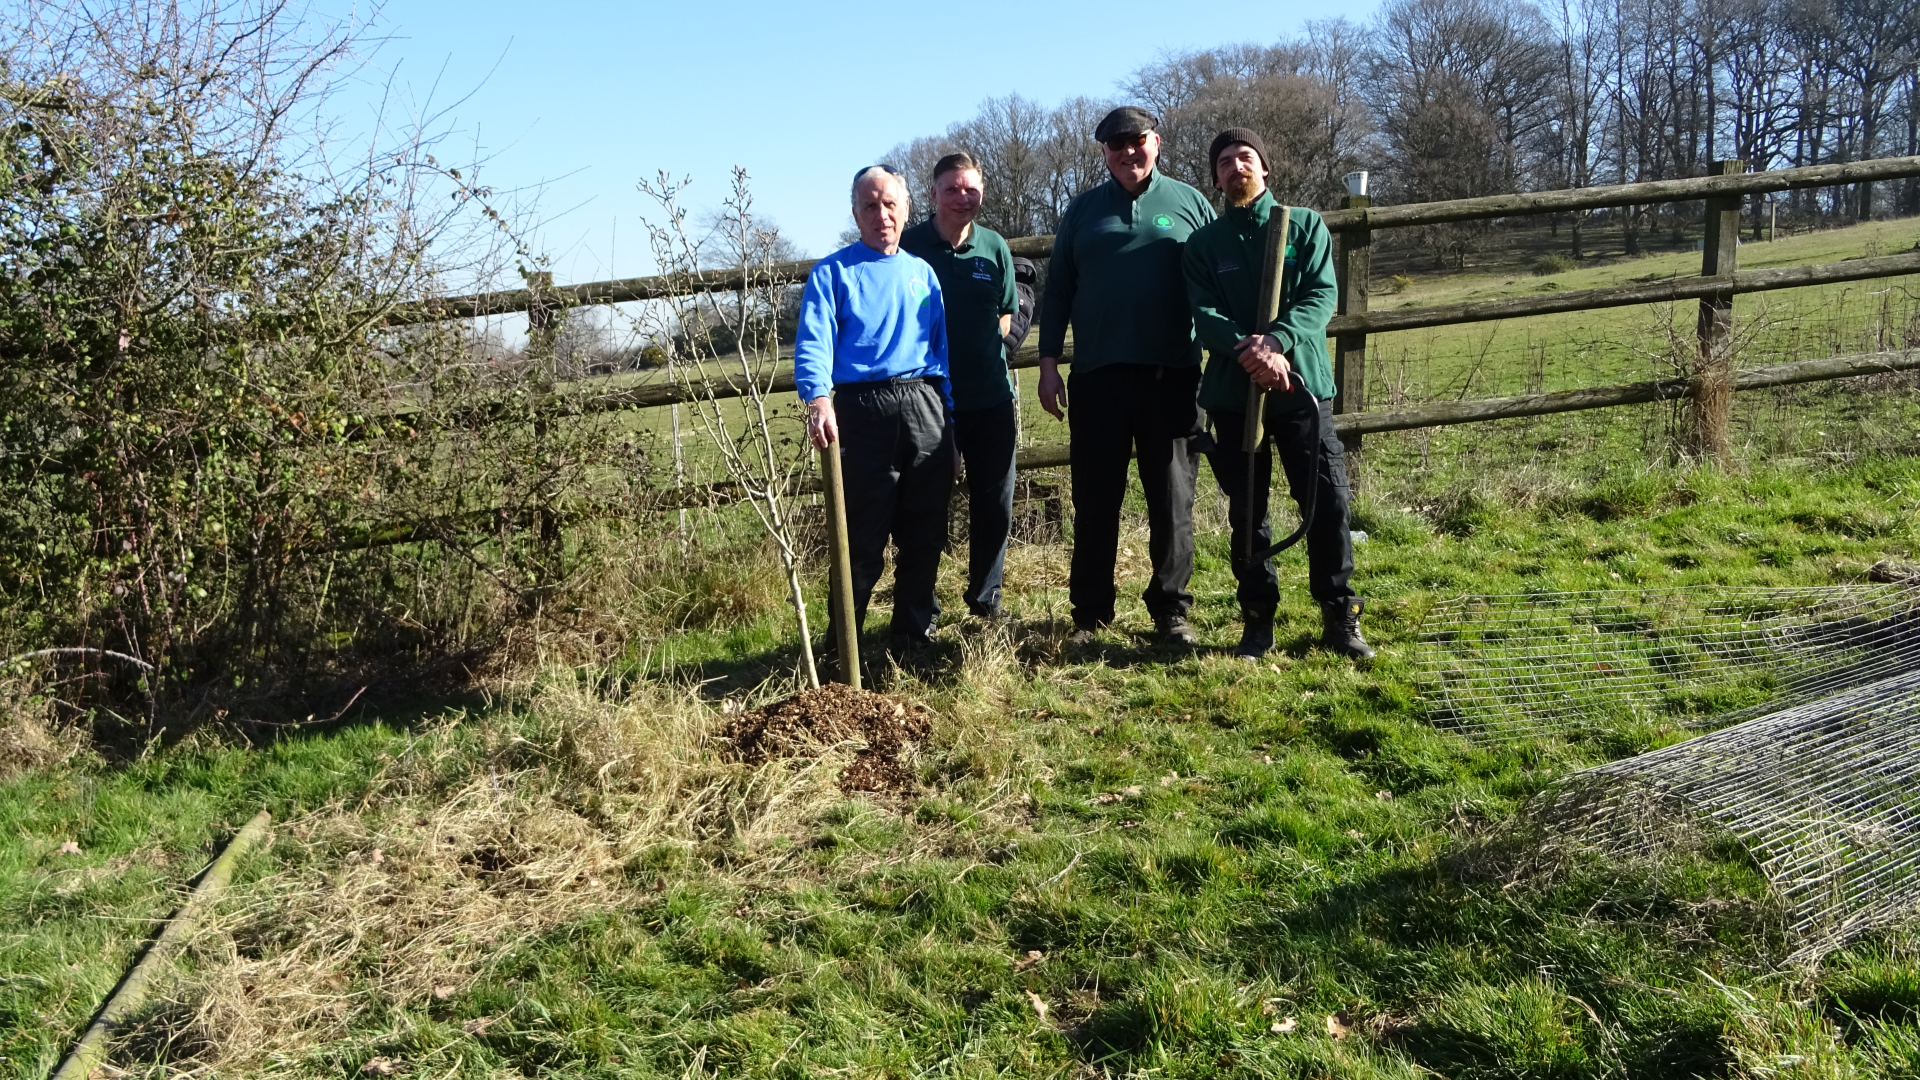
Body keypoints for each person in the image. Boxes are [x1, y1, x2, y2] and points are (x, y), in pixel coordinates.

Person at [1182, 127, 1373, 660]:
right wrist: (1249, 350)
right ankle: (1257, 616)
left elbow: (1320, 294)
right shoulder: (1203, 246)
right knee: (1247, 511)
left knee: (1327, 500)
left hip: (1301, 387)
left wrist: (1278, 343)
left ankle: (1339, 614)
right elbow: (1204, 313)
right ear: (1216, 178)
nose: (1235, 167)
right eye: (1224, 162)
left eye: (1245, 157)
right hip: (1232, 393)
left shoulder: (1304, 226)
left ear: (1265, 169)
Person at [1034, 106, 1216, 647]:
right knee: (1095, 498)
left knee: (1171, 497)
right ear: (1104, 153)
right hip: (1097, 377)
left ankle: (1170, 610)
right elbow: (1059, 289)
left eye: (1137, 141)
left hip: (1172, 375)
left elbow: (1214, 281)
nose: (1128, 152)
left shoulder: (1189, 204)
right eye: (1116, 145)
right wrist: (1048, 364)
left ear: (1156, 142)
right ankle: (1090, 612)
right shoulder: (1083, 211)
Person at [796, 165, 954, 672]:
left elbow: (940, 351)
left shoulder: (922, 273)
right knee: (860, 537)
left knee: (923, 531)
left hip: (924, 403)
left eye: (890, 204)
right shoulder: (833, 273)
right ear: (855, 213)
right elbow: (814, 342)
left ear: (907, 209)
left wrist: (947, 418)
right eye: (870, 205)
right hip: (861, 412)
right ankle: (842, 649)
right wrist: (819, 399)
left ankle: (912, 638)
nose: (881, 215)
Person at [900, 152, 1020, 623]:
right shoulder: (907, 248)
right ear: (932, 194)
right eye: (952, 188)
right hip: (927, 403)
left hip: (991, 398)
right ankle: (920, 609)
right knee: (926, 509)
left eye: (971, 188)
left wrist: (990, 345)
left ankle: (986, 600)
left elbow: (1006, 310)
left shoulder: (994, 247)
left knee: (995, 503)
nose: (962, 197)